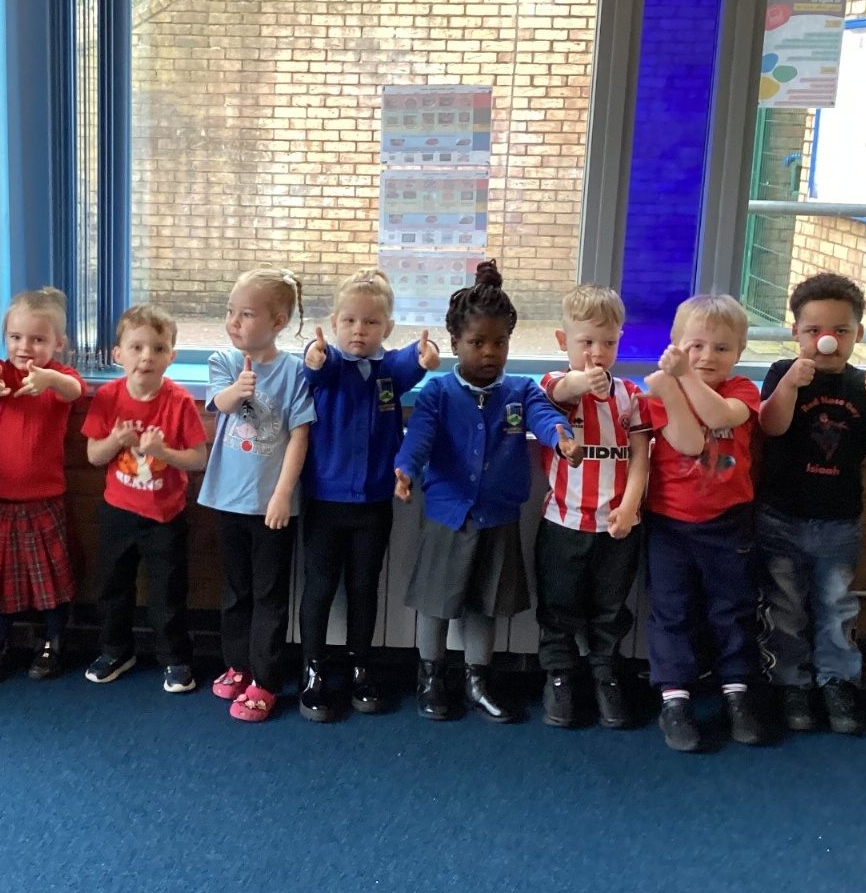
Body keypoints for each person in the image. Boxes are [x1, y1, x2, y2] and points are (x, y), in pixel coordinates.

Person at [394, 263, 582, 723]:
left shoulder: (521, 391)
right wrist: (405, 469)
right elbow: (419, 437)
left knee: (486, 605)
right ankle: (430, 679)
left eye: (500, 342)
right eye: (477, 342)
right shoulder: (438, 393)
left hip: (498, 517)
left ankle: (477, 681)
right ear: (455, 342)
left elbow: (545, 417)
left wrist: (561, 437)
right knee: (436, 603)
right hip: (448, 515)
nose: (489, 352)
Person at [756, 273, 866, 736]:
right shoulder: (782, 373)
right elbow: (770, 426)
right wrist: (789, 385)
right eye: (814, 331)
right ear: (796, 333)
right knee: (783, 607)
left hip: (840, 522)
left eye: (841, 331)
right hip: (780, 516)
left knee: (837, 607)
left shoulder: (864, 385)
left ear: (857, 334)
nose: (827, 340)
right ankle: (790, 684)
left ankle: (837, 682)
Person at [296, 267, 438, 722]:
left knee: (363, 587)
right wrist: (314, 353)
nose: (359, 330)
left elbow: (410, 362)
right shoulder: (330, 366)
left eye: (371, 322)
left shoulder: (388, 372)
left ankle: (361, 665)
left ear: (387, 328)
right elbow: (316, 366)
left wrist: (426, 355)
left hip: (374, 505)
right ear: (335, 323)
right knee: (320, 587)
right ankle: (314, 669)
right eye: (350, 321)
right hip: (324, 502)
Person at [641, 294, 768, 753]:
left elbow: (717, 416)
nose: (707, 356)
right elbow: (688, 441)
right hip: (670, 524)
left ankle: (737, 690)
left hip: (729, 523)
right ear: (676, 344)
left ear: (739, 352)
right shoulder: (661, 392)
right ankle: (675, 699)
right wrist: (672, 384)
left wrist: (683, 376)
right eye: (695, 346)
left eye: (722, 348)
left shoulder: (743, 390)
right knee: (672, 611)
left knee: (732, 608)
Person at [200, 268, 316, 723]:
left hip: (271, 508)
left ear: (278, 322)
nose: (234, 322)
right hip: (226, 500)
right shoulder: (224, 362)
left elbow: (300, 435)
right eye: (231, 311)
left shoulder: (294, 373)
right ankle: (238, 665)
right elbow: (220, 404)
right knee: (236, 591)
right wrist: (237, 390)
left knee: (269, 595)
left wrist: (283, 495)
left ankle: (265, 680)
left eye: (246, 314)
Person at [535, 284, 652, 730]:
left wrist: (631, 504)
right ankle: (560, 675)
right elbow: (564, 388)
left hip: (618, 527)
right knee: (559, 606)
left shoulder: (631, 395)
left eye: (608, 342)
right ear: (563, 340)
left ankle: (605, 673)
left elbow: (641, 456)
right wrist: (585, 379)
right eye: (586, 342)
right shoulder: (554, 386)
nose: (598, 352)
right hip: (564, 524)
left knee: (610, 608)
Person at [81, 305, 208, 692]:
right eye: (136, 347)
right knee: (111, 588)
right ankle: (116, 650)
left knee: (168, 593)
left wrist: (163, 452)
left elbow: (199, 459)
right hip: (118, 512)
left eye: (158, 348)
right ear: (118, 354)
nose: (147, 356)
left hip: (165, 517)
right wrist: (115, 440)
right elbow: (94, 456)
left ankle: (175, 659)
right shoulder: (108, 396)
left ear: (171, 356)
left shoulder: (178, 401)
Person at [0, 288, 86, 682]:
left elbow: (76, 390)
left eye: (37, 339)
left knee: (52, 580)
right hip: (1, 500)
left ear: (58, 343)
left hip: (45, 500)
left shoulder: (60, 378)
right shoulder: (1, 372)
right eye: (15, 337)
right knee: (0, 582)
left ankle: (54, 640)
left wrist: (49, 378)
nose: (25, 347)